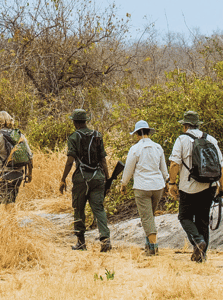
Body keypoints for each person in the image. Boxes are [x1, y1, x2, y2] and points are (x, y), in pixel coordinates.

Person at [167, 110, 223, 263]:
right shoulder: (211, 139)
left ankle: (198, 241)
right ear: (198, 124)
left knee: (184, 217)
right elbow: (221, 166)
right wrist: (222, 187)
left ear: (185, 126)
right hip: (210, 185)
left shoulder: (182, 139)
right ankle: (202, 256)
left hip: (189, 187)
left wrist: (172, 183)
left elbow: (174, 164)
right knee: (203, 220)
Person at [59, 108, 111, 252]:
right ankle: (105, 239)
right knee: (98, 208)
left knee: (78, 209)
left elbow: (70, 160)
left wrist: (63, 179)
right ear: (85, 121)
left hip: (82, 178)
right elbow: (103, 160)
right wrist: (107, 179)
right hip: (98, 177)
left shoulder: (74, 137)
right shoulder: (97, 135)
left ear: (75, 122)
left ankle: (81, 242)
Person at [118, 119, 168, 256]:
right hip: (158, 186)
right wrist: (168, 182)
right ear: (148, 132)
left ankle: (153, 247)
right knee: (150, 216)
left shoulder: (135, 149)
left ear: (137, 134)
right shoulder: (158, 147)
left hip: (142, 187)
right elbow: (164, 170)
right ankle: (148, 244)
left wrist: (123, 184)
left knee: (146, 217)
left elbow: (128, 169)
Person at [0, 111, 33, 206]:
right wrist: (29, 173)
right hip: (18, 174)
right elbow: (30, 156)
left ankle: (9, 220)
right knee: (12, 202)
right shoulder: (19, 135)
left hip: (4, 174)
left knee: (4, 205)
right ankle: (13, 219)